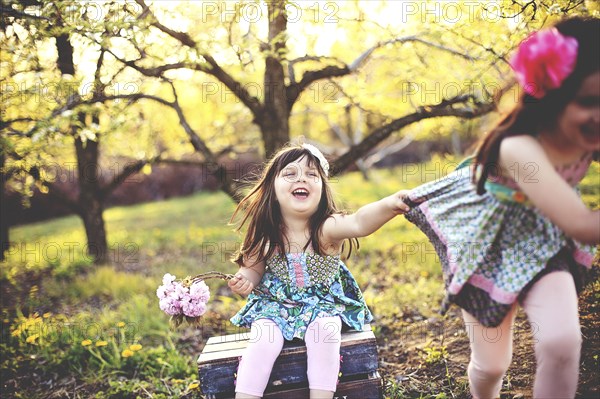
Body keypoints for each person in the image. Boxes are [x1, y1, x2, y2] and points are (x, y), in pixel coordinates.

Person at [403, 17, 599, 399]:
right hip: (488, 244)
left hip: (544, 241)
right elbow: (581, 224)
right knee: (492, 364)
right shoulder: (518, 147)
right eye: (589, 102)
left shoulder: (589, 133)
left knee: (561, 343)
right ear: (552, 95)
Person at [227, 143, 410, 399]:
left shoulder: (326, 228)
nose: (301, 178)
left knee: (325, 334)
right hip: (275, 304)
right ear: (272, 189)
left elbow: (359, 221)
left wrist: (391, 204)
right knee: (263, 341)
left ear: (322, 189)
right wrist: (245, 279)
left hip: (322, 304)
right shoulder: (266, 231)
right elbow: (252, 268)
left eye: (312, 174)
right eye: (290, 173)